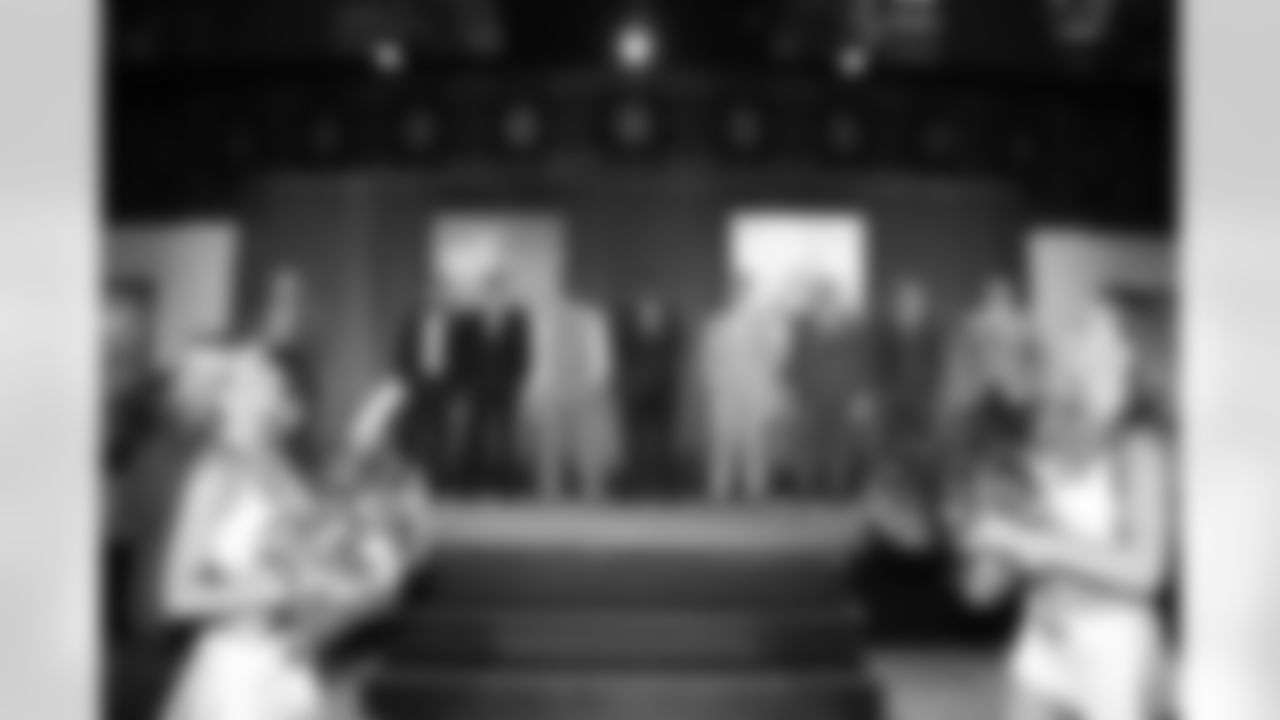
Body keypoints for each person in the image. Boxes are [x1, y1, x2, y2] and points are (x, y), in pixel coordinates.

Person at [158, 344, 418, 720]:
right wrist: (297, 587)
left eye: (271, 371)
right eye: (260, 373)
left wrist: (361, 567)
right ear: (226, 395)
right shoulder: (215, 473)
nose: (275, 376)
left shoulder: (277, 462)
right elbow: (178, 595)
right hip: (241, 674)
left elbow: (322, 532)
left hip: (291, 659)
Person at [959, 299, 1175, 720]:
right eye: (1079, 325)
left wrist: (1039, 545)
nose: (1077, 334)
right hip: (1045, 635)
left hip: (1113, 645)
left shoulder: (1141, 443)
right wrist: (996, 553)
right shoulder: (1055, 427)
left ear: (1126, 353)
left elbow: (1146, 569)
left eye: (1094, 328)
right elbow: (1038, 530)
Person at [698, 283, 791, 502]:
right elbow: (706, 359)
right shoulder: (716, 325)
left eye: (743, 292)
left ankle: (756, 490)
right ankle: (718, 490)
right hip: (725, 390)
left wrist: (770, 388)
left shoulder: (764, 323)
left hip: (754, 389)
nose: (739, 297)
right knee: (722, 439)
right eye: (735, 292)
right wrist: (712, 385)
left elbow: (777, 355)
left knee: (755, 441)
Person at [522, 293, 617, 501]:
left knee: (587, 448)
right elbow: (539, 360)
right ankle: (549, 495)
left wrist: (593, 386)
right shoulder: (543, 321)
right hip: (552, 391)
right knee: (549, 448)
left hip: (584, 390)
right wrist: (535, 393)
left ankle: (592, 495)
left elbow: (600, 358)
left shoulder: (590, 320)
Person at [783, 283, 872, 498]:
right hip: (810, 396)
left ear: (836, 303)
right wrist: (795, 393)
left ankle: (836, 488)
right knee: (808, 444)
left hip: (842, 396)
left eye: (829, 300)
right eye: (821, 300)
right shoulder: (803, 329)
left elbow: (859, 363)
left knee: (839, 444)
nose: (826, 305)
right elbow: (795, 362)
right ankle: (806, 488)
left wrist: (858, 395)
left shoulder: (851, 330)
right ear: (816, 304)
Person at [611, 296, 685, 496]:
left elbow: (673, 359)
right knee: (634, 440)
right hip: (636, 392)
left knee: (663, 439)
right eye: (645, 310)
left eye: (653, 310)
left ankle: (663, 482)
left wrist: (656, 376)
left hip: (663, 393)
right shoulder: (628, 336)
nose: (649, 314)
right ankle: (635, 481)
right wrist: (636, 381)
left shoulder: (670, 336)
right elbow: (624, 360)